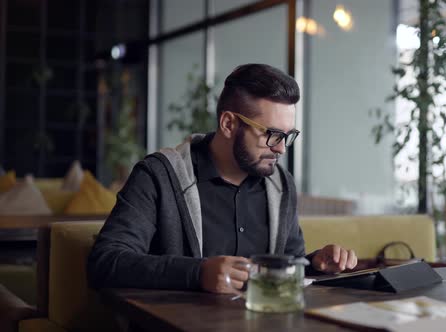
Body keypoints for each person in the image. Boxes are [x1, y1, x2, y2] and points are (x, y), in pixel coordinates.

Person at [87, 63, 358, 294]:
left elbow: (288, 264)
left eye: (288, 136)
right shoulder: (158, 175)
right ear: (229, 124)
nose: (281, 148)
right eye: (272, 134)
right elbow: (105, 263)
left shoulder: (281, 184)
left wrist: (314, 264)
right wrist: (197, 274)